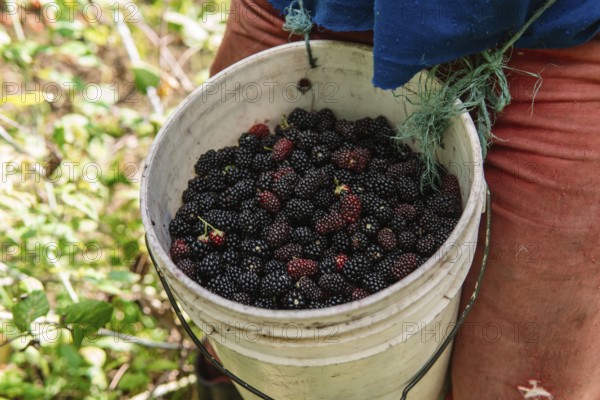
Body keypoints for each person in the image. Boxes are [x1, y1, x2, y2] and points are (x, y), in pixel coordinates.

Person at [207, 1, 600, 399]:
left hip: (556, 39)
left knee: (527, 382)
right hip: (312, 12)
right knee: (239, 336)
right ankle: (219, 384)